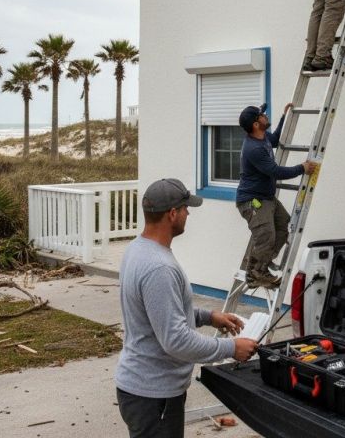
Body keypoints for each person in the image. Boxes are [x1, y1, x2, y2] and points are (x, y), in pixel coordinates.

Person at [116, 177, 258, 438]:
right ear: (172, 214)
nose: (188, 213)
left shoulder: (138, 250)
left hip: (142, 391)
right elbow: (175, 340)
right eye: (185, 208)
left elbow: (158, 314)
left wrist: (207, 316)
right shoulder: (159, 267)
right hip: (152, 395)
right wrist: (231, 348)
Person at [236, 103, 315, 288]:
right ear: (256, 124)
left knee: (283, 224)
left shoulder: (262, 138)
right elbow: (275, 171)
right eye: (262, 115)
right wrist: (301, 168)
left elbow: (276, 139)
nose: (265, 116)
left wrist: (283, 117)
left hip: (266, 198)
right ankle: (255, 274)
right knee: (266, 235)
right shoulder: (253, 149)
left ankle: (262, 262)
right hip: (252, 201)